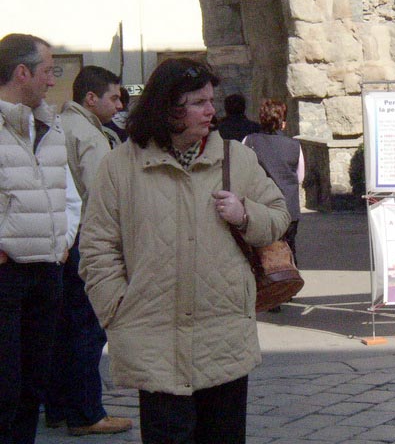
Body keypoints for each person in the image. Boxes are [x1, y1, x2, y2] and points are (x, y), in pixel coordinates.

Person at [78, 58, 290, 444]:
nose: (211, 110)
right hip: (155, 340)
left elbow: (279, 216)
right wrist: (116, 307)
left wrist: (246, 214)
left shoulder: (236, 158)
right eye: (198, 102)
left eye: (211, 100)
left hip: (223, 337)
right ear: (167, 107)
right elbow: (97, 247)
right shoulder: (119, 166)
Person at [0, 33, 81, 444]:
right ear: (22, 72)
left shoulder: (50, 125)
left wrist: (62, 241)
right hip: (6, 275)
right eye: (48, 71)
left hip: (47, 272)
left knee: (33, 387)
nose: (52, 80)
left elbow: (69, 195)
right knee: (5, 389)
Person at [45, 66, 132, 436]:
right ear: (91, 98)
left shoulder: (59, 126)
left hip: (62, 240)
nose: (119, 105)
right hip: (85, 240)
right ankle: (86, 412)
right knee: (87, 330)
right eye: (114, 97)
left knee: (62, 329)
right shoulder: (90, 135)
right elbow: (101, 197)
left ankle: (58, 406)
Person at [243, 99, 305, 264]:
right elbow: (300, 176)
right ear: (283, 123)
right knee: (288, 251)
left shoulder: (249, 141)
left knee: (259, 254)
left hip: (259, 206)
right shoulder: (294, 145)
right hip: (289, 206)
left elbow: (242, 172)